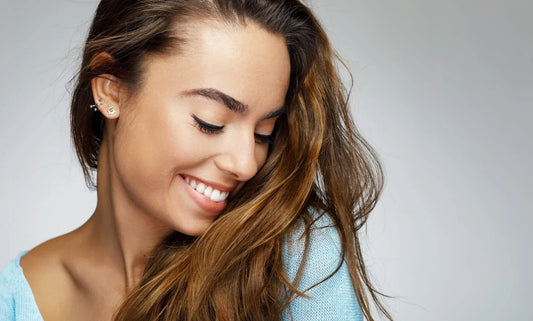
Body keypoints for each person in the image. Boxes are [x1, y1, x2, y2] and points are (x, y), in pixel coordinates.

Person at [0, 0, 392, 320]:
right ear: (111, 92)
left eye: (263, 133)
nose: (246, 165)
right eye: (211, 122)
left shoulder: (298, 258)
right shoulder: (18, 299)